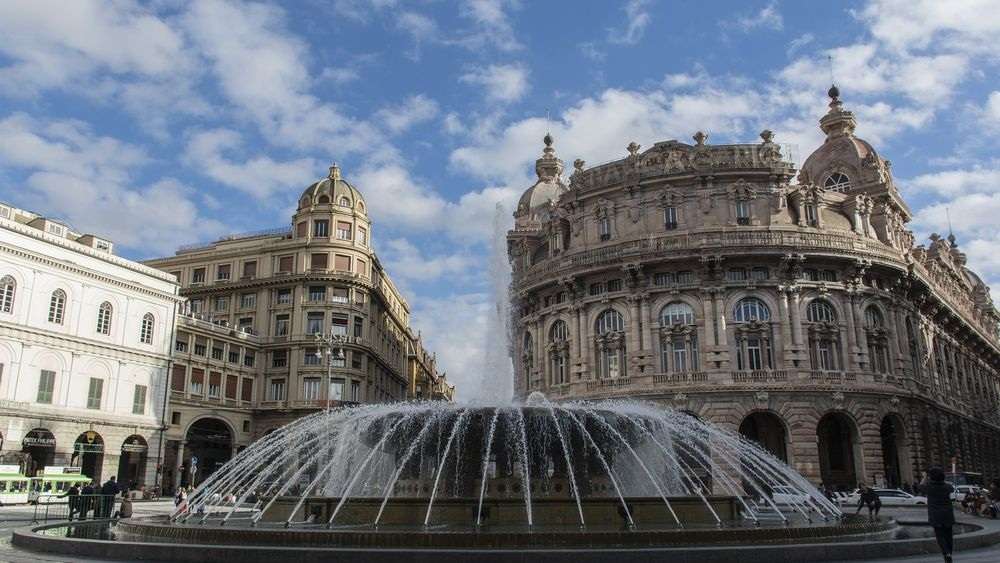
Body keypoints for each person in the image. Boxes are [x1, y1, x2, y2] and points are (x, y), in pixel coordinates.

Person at [924, 466, 956, 563]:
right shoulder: (947, 486)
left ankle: (946, 553)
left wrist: (925, 477)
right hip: (948, 514)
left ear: (931, 477)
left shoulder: (929, 486)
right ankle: (949, 553)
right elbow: (952, 489)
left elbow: (920, 486)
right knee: (949, 536)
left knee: (940, 536)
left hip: (936, 515)